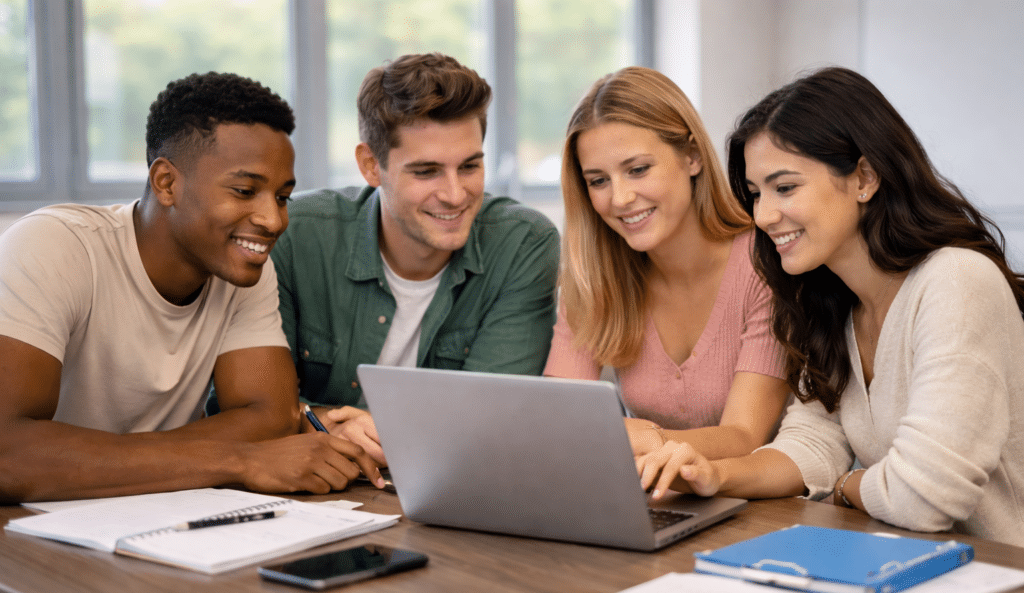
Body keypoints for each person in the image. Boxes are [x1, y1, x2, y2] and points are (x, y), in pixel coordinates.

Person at [638, 67, 1024, 550]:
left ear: (864, 177)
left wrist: (846, 486)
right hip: (918, 568)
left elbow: (923, 497)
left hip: (1005, 590)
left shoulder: (956, 282)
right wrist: (715, 474)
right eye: (756, 194)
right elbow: (812, 444)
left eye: (785, 188)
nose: (762, 216)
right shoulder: (832, 305)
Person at [0, 71, 385, 505]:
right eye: (244, 191)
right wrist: (238, 461)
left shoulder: (241, 267)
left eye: (282, 197)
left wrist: (102, 462)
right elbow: (9, 453)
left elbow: (269, 417)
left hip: (159, 515)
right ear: (167, 183)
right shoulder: (53, 247)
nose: (274, 221)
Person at [272, 53, 560, 464]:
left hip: (454, 489)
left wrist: (358, 430)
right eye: (426, 172)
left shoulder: (523, 244)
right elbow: (243, 406)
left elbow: (492, 419)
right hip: (314, 491)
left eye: (470, 166)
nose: (455, 194)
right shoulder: (295, 235)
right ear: (371, 165)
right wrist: (318, 420)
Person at [544, 66, 789, 461]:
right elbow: (557, 420)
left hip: (761, 508)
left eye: (637, 169)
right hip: (654, 502)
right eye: (598, 181)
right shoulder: (594, 277)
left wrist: (642, 438)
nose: (620, 198)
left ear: (691, 156)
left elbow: (744, 438)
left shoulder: (765, 264)